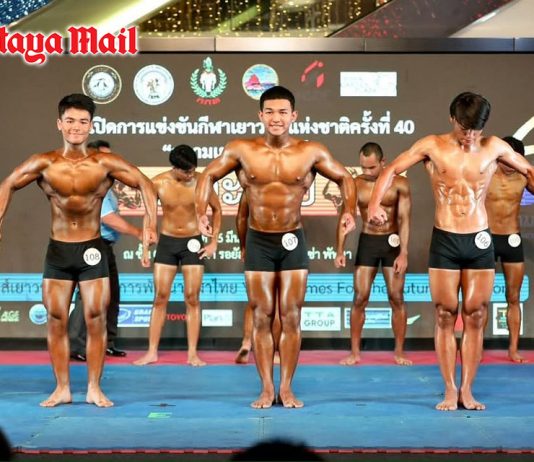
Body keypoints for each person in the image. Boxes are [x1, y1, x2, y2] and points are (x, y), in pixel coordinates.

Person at [367, 92, 534, 411]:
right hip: (445, 238)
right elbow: (391, 170)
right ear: (452, 119)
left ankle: (467, 390)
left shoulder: (495, 147)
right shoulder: (432, 145)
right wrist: (374, 205)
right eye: (464, 128)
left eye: (476, 129)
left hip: (479, 238)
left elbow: (528, 171)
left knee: (476, 313)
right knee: (445, 314)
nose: (470, 135)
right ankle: (448, 389)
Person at [196, 86, 356, 408]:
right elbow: (208, 175)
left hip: (292, 238)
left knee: (292, 315)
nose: (276, 118)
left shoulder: (311, 152)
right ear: (260, 115)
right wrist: (201, 211)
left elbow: (345, 178)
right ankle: (267, 388)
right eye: (269, 112)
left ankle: (287, 387)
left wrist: (349, 210)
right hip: (259, 240)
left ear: (294, 115)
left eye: (283, 112)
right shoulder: (242, 149)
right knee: (261, 316)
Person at [0, 94, 157, 407]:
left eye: (83, 121)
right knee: (56, 318)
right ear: (59, 124)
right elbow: (8, 184)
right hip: (58, 251)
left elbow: (144, 183)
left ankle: (94, 388)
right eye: (70, 120)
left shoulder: (104, 164)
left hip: (92, 250)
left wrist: (149, 226)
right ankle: (62, 388)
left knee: (95, 318)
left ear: (91, 125)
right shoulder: (44, 163)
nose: (76, 127)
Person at [133, 144, 221, 367]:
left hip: (193, 242)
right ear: (174, 167)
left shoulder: (202, 182)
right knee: (160, 297)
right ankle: (152, 352)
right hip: (167, 242)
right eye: (186, 171)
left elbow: (217, 209)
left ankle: (192, 353)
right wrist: (145, 247)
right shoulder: (159, 183)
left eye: (192, 170)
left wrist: (213, 241)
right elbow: (149, 214)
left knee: (192, 298)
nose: (190, 175)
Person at [335, 142, 412, 366]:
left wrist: (404, 253)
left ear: (383, 162)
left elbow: (404, 220)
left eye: (371, 167)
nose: (367, 172)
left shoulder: (400, 184)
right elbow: (346, 217)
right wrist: (340, 249)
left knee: (396, 297)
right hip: (368, 241)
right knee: (360, 297)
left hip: (392, 242)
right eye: (363, 167)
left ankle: (399, 352)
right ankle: (354, 352)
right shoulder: (355, 184)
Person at [69, 140, 143, 361]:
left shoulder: (107, 186)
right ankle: (75, 345)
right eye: (105, 157)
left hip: (105, 246)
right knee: (88, 296)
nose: (110, 161)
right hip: (91, 244)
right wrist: (138, 232)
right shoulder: (90, 185)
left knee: (111, 294)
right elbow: (108, 218)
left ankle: (107, 342)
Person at [486, 136, 533, 363]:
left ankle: (513, 349)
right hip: (485, 238)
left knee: (513, 297)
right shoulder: (486, 173)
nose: (509, 163)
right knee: (480, 299)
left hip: (511, 238)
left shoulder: (525, 177)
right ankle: (476, 346)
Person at [234, 191, 281, 365]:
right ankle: (274, 351)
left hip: (259, 242)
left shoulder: (252, 185)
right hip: (282, 241)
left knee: (255, 300)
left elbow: (241, 217)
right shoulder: (288, 184)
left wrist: (243, 246)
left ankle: (246, 342)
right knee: (277, 301)